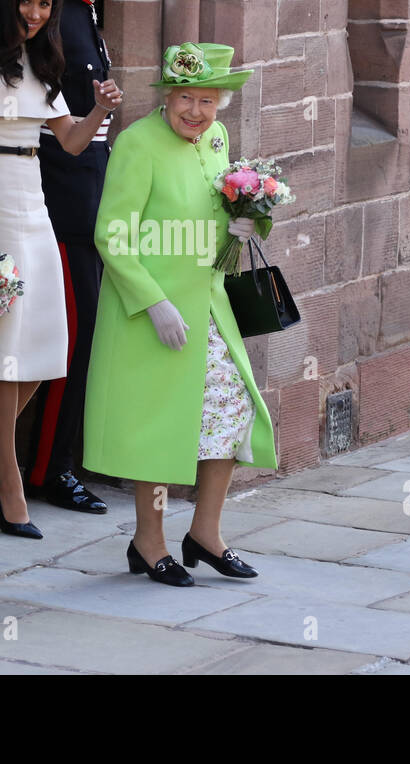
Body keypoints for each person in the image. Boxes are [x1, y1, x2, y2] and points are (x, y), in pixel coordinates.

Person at [83, 43, 277, 585]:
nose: (196, 110)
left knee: (228, 416)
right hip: (153, 316)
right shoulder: (136, 144)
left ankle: (205, 535)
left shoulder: (216, 138)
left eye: (207, 100)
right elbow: (112, 237)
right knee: (159, 428)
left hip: (210, 307)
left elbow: (220, 211)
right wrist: (154, 302)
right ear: (167, 96)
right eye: (185, 98)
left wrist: (249, 225)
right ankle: (149, 542)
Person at [0, 0, 122, 539]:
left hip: (32, 193)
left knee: (51, 341)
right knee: (9, 345)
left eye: (45, 4)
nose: (35, 13)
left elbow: (70, 141)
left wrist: (100, 106)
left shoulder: (42, 59)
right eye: (27, 1)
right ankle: (10, 483)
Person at [24, 0, 127, 515]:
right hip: (61, 207)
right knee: (69, 336)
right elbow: (57, 129)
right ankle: (48, 469)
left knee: (83, 334)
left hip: (88, 203)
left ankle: (58, 461)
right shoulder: (56, 18)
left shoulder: (86, 16)